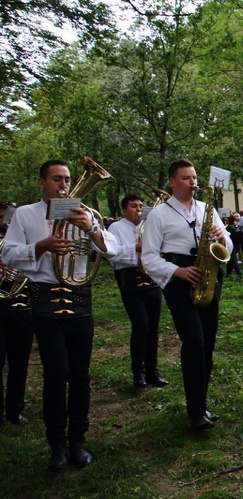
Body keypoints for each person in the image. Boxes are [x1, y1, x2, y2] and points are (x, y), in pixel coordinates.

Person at [2, 159, 119, 471]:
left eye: (67, 179)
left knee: (80, 375)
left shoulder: (85, 214)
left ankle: (78, 441)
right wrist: (41, 246)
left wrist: (92, 229)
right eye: (57, 179)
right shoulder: (25, 214)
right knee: (57, 374)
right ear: (42, 183)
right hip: (46, 300)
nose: (64, 185)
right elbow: (7, 253)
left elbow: (116, 251)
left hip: (80, 299)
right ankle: (56, 445)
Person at [141, 158, 232, 431]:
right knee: (194, 341)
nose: (193, 182)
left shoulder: (207, 209)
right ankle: (195, 411)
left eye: (194, 177)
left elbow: (226, 242)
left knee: (208, 342)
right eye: (185, 178)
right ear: (171, 182)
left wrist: (220, 236)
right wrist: (177, 272)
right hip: (179, 279)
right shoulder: (159, 214)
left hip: (207, 275)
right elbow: (148, 258)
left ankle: (200, 403)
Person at [107, 194, 169, 388]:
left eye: (141, 205)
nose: (139, 209)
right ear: (124, 210)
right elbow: (113, 253)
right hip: (130, 279)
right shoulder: (115, 228)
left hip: (151, 278)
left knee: (153, 327)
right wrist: (137, 247)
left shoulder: (150, 226)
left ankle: (152, 371)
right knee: (141, 325)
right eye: (134, 206)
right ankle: (138, 372)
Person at [0, 201, 34, 426]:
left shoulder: (25, 240)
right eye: (3, 217)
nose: (6, 222)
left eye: (9, 217)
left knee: (20, 361)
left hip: (24, 306)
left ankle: (15, 409)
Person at [225, 213, 243, 277]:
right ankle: (228, 272)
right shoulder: (236, 226)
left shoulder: (228, 228)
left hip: (231, 244)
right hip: (236, 243)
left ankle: (239, 272)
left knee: (233, 258)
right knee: (230, 258)